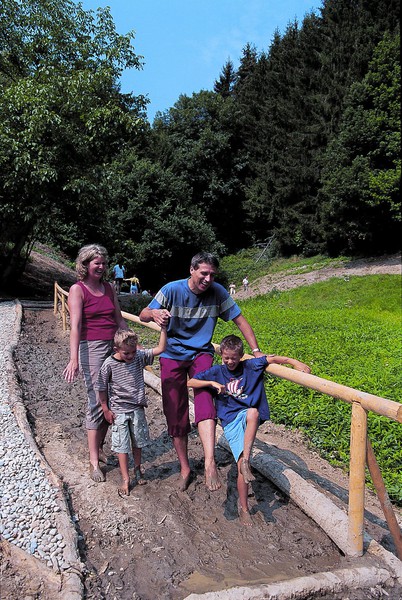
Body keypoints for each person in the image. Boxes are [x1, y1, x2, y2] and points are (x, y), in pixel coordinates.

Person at [139, 251, 286, 492]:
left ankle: (209, 461)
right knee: (174, 410)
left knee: (206, 398)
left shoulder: (218, 292)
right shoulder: (171, 289)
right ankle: (185, 467)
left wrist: (256, 350)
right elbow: (144, 314)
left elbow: (240, 320)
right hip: (172, 354)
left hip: (201, 352)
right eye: (204, 273)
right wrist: (154, 313)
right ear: (192, 270)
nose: (208, 279)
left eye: (212, 275)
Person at [187, 335, 311, 525]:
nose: (230, 362)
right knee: (240, 468)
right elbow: (190, 382)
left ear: (241, 356)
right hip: (230, 421)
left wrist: (295, 363)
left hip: (247, 417)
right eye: (226, 358)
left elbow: (272, 358)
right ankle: (244, 507)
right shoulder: (217, 372)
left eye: (234, 358)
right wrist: (211, 383)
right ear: (221, 355)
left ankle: (246, 460)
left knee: (253, 412)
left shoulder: (250, 366)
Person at [63, 244, 129, 483]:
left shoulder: (109, 287)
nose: (101, 267)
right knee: (96, 401)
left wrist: (133, 343)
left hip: (114, 347)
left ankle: (99, 447)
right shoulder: (77, 289)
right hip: (91, 348)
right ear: (85, 265)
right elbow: (75, 326)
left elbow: (119, 319)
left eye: (103, 263)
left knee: (114, 399)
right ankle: (93, 461)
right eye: (96, 263)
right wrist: (74, 359)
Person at [97, 326, 167, 496]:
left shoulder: (139, 357)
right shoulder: (109, 364)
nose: (130, 356)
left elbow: (160, 348)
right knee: (122, 445)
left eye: (133, 352)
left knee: (138, 441)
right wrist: (105, 409)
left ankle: (137, 468)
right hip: (119, 410)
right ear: (116, 349)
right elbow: (101, 387)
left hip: (137, 408)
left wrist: (163, 328)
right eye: (126, 353)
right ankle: (125, 478)